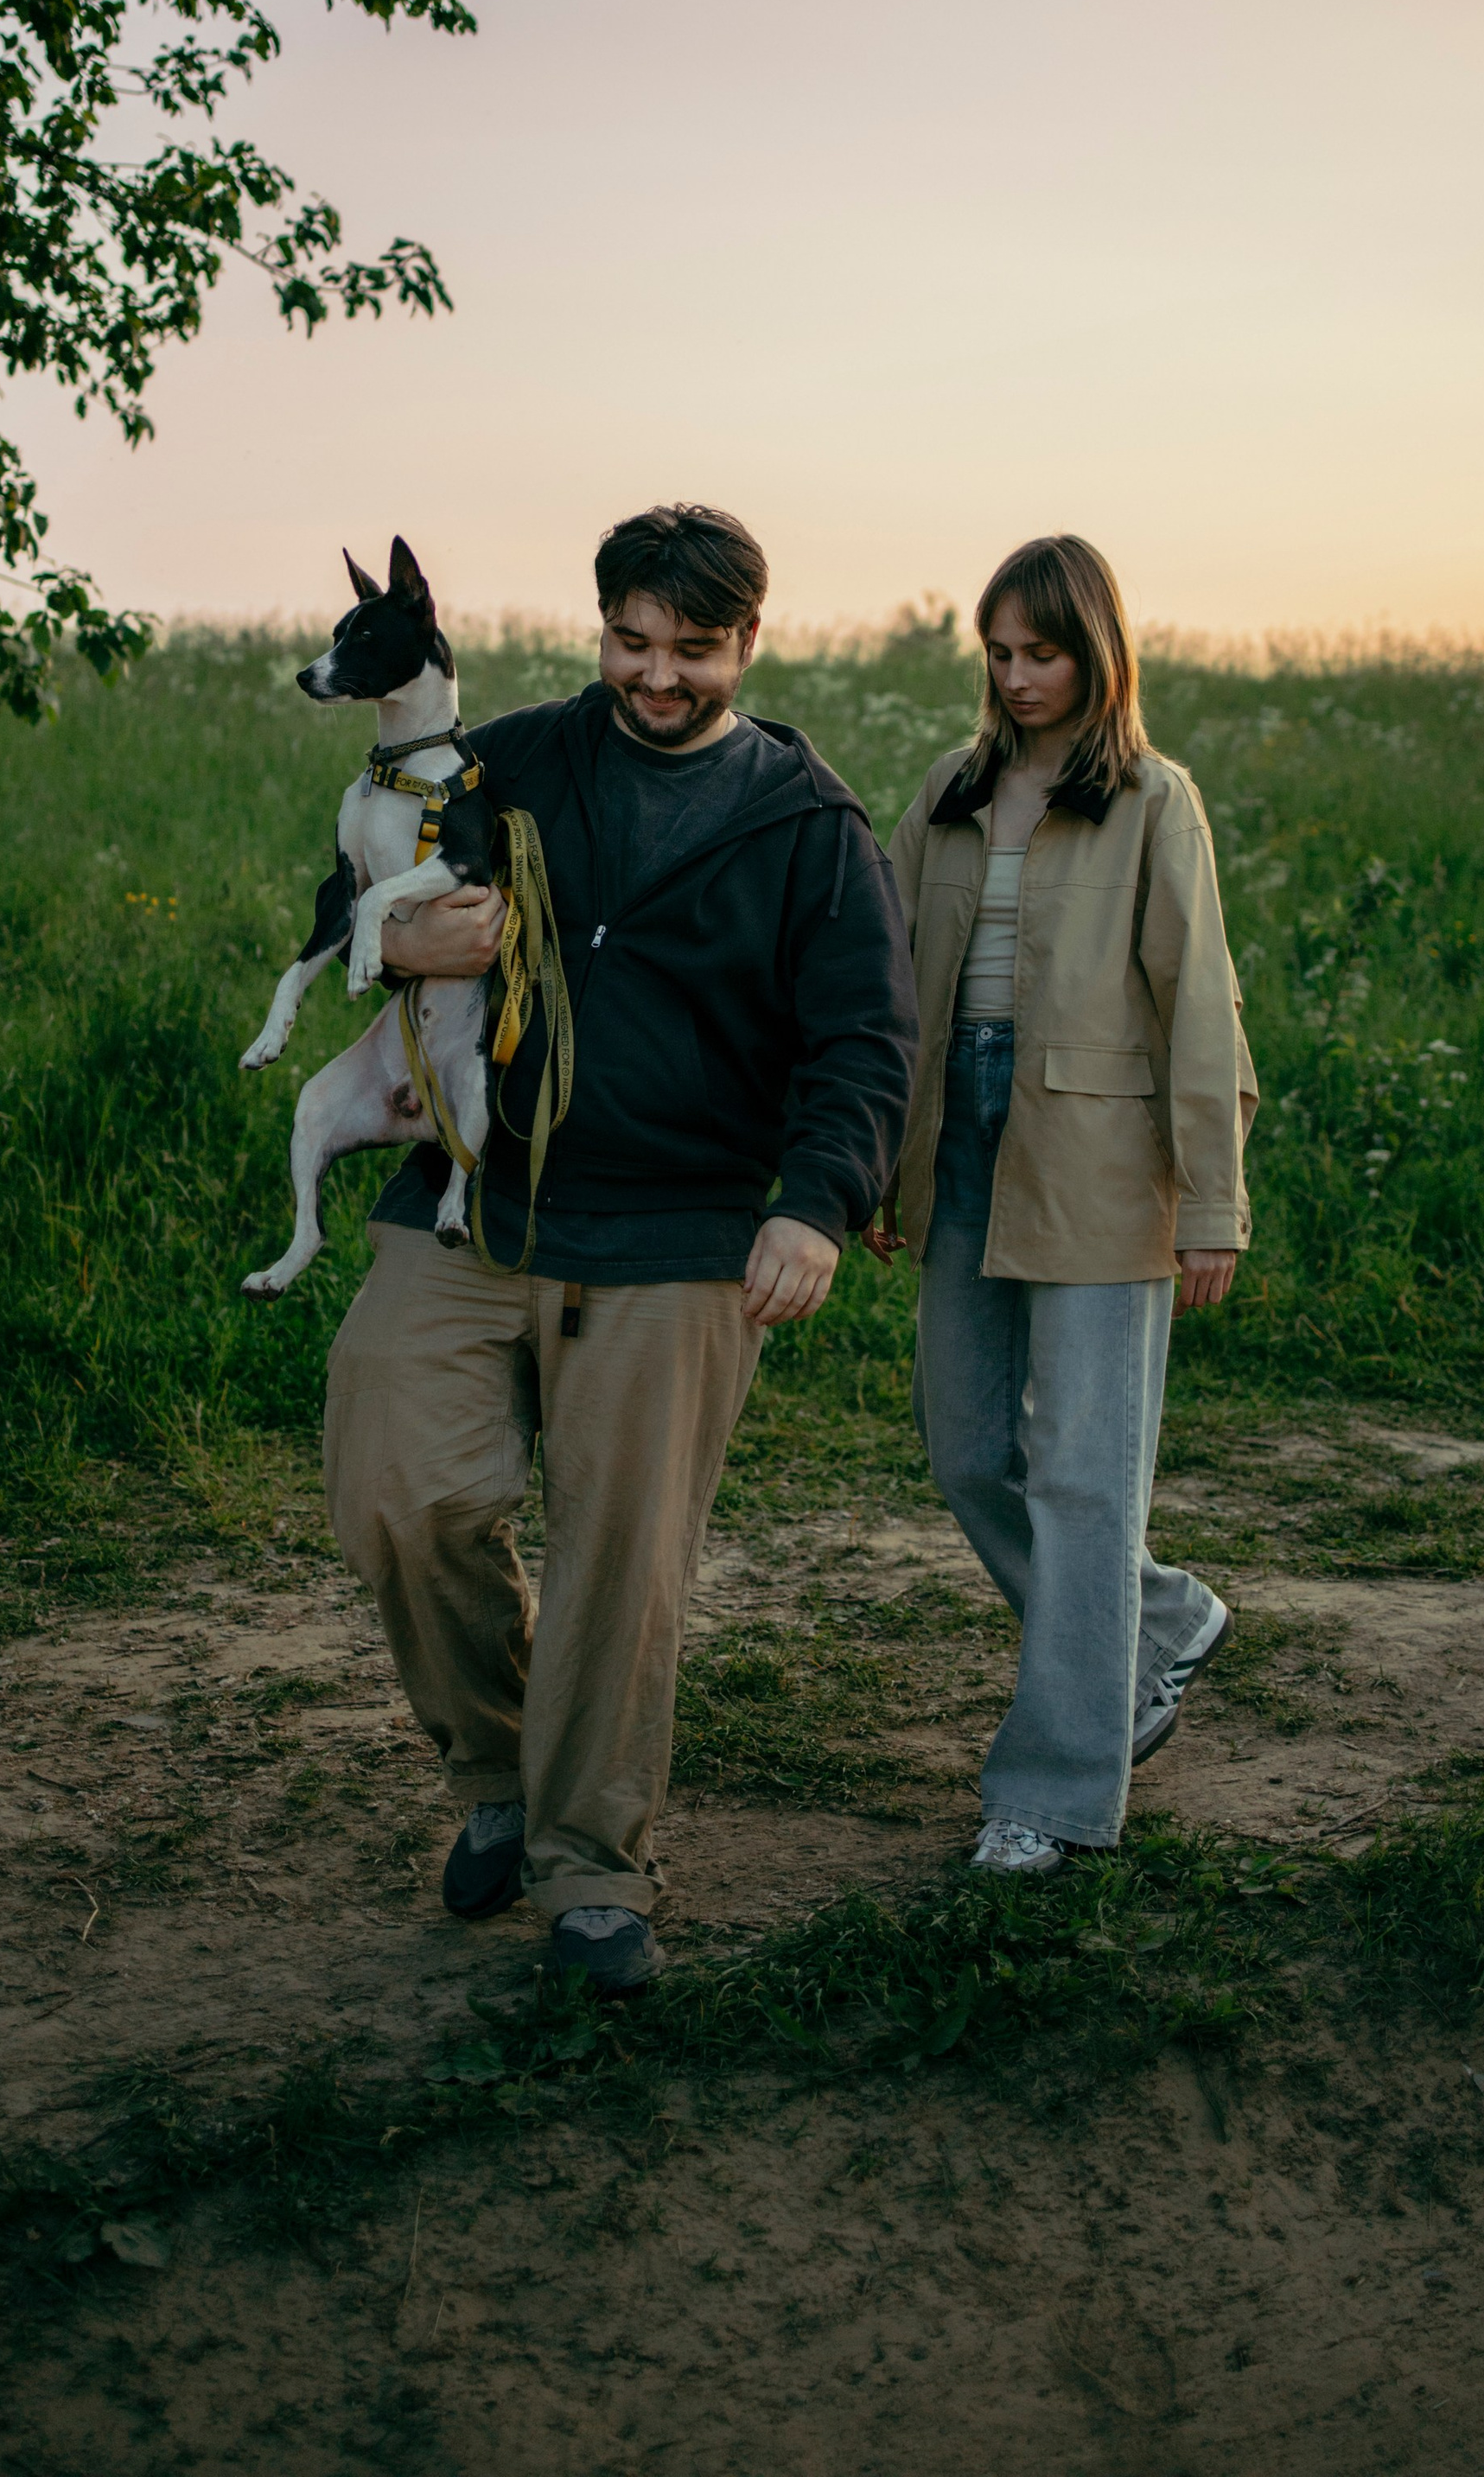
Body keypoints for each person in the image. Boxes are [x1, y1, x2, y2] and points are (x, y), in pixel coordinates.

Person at [322, 503, 918, 1993]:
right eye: (631, 642)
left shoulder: (809, 824)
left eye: (692, 650)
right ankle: (499, 1775)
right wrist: (393, 945)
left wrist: (815, 1201)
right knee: (399, 1487)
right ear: (601, 629)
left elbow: (864, 1038)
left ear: (750, 642)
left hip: (677, 1232)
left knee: (620, 1564)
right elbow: (352, 884)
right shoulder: (509, 759)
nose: (656, 676)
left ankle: (592, 1865)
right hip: (476, 1201)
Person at [866, 533, 1256, 1876]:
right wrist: (881, 1162)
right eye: (1001, 653)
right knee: (970, 1450)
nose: (1019, 677)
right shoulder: (951, 789)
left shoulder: (1154, 799)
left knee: (1086, 1475)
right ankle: (1158, 1622)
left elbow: (1198, 1004)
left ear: (1099, 655)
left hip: (1101, 1151)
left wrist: (1210, 1200)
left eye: (1043, 653)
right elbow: (882, 973)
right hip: (959, 1138)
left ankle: (1055, 1789)